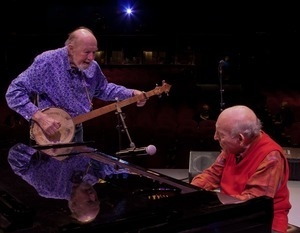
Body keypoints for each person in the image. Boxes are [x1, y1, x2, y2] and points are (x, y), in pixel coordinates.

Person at [5, 26, 147, 144]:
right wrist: (40, 117)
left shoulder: (93, 66)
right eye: (86, 52)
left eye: (94, 52)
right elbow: (14, 92)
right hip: (48, 134)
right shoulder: (48, 61)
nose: (91, 58)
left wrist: (131, 93)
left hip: (76, 129)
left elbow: (103, 89)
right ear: (71, 48)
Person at [190, 105, 291, 233]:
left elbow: (254, 202)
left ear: (240, 138)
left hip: (263, 219)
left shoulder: (271, 157)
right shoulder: (232, 148)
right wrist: (190, 191)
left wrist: (213, 205)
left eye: (220, 134)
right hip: (231, 210)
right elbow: (212, 175)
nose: (215, 137)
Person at [8, 143, 130, 223]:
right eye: (96, 199)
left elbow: (17, 162)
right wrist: (129, 168)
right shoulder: (93, 178)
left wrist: (40, 144)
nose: (93, 195)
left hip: (46, 126)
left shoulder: (49, 188)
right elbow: (108, 167)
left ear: (74, 204)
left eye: (89, 201)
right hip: (78, 122)